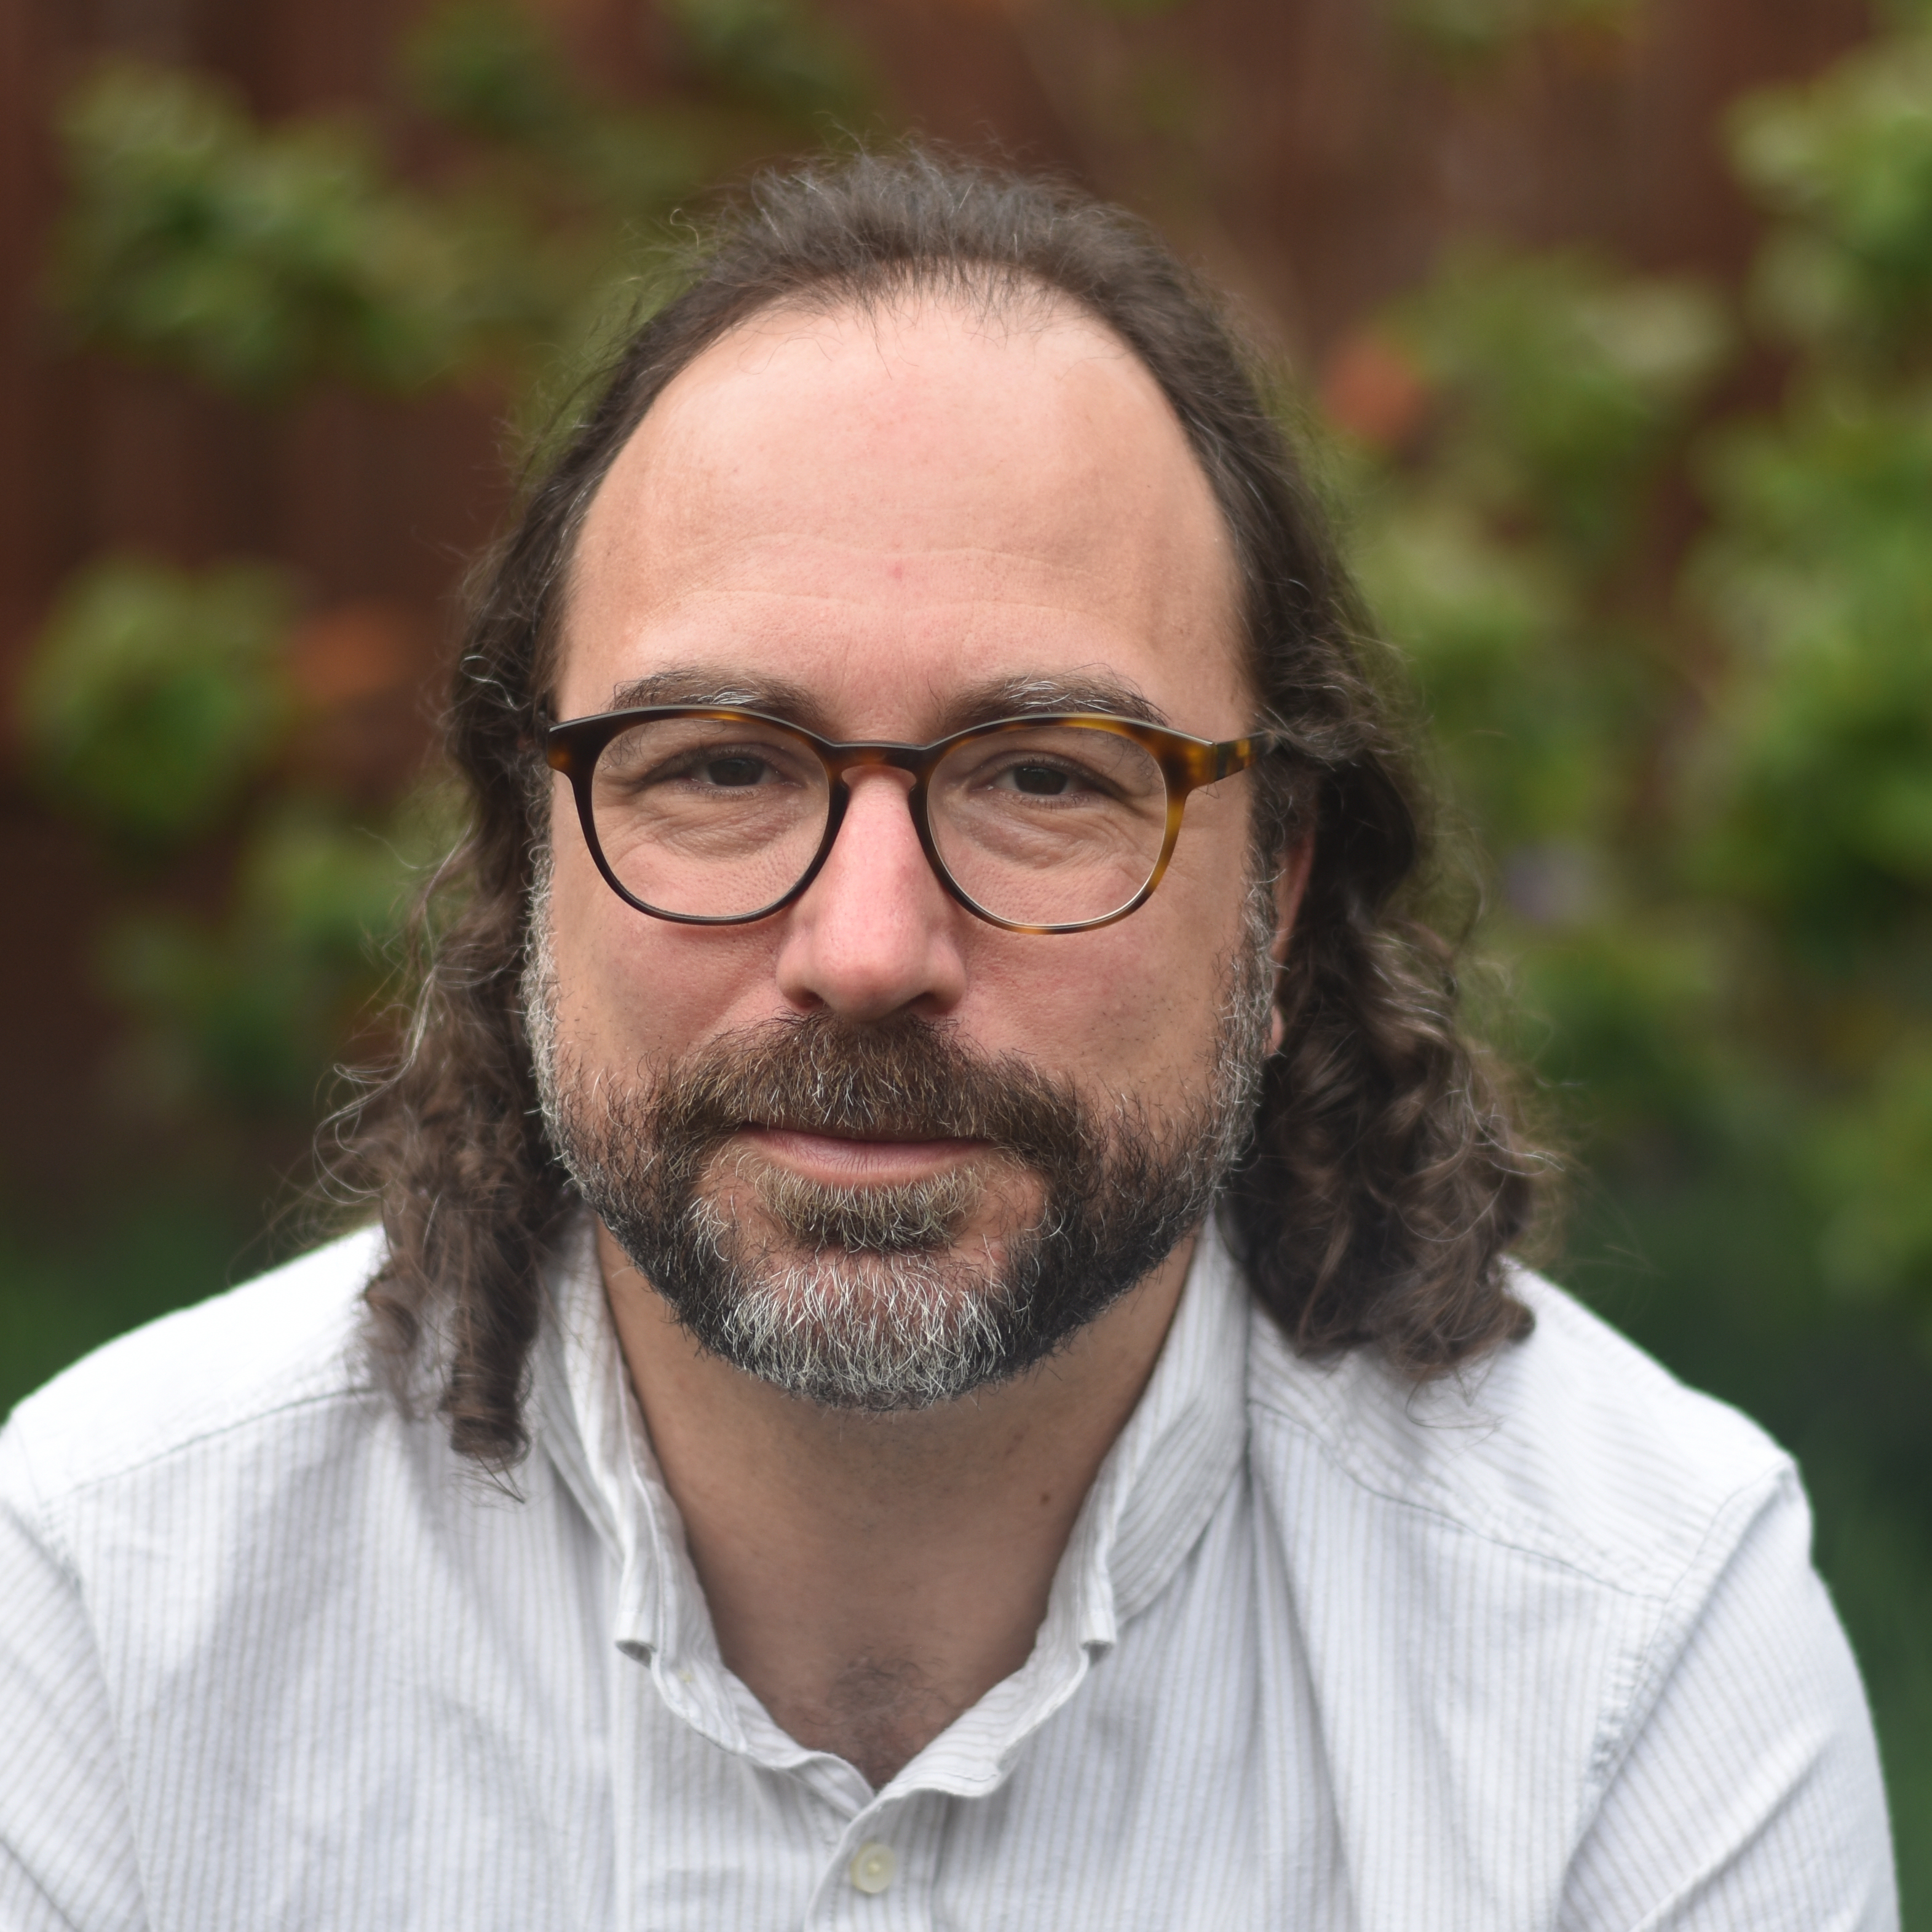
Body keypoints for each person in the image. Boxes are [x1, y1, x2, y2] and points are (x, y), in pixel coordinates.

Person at [0, 151, 1895, 1930]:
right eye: (723, 767)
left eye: (1046, 777)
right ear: (534, 839)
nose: (870, 945)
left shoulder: (1635, 1649)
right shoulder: (107, 1604)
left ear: (1283, 877)